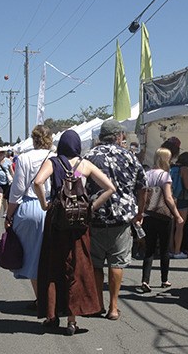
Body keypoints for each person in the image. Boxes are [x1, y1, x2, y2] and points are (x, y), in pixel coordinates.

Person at [33, 130, 115, 335]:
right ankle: (72, 320)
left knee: (54, 265)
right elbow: (110, 187)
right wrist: (91, 207)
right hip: (79, 223)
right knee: (76, 267)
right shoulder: (85, 164)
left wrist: (45, 204)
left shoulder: (53, 162)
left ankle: (52, 316)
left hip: (57, 222)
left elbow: (37, 182)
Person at [85, 119, 147, 321]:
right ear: (119, 136)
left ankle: (97, 304)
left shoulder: (89, 157)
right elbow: (143, 186)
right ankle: (113, 307)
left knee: (95, 263)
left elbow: (76, 183)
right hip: (122, 219)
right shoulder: (130, 156)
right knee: (117, 263)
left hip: (95, 217)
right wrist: (139, 213)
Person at [4, 125, 54, 305]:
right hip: (51, 206)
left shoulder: (24, 158)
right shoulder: (55, 158)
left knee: (33, 256)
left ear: (34, 139)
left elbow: (16, 191)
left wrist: (8, 216)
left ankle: (40, 298)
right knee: (50, 255)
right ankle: (51, 297)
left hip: (30, 207)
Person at [139, 148, 183, 293]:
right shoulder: (165, 176)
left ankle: (145, 280)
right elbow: (169, 198)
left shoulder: (147, 174)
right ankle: (164, 280)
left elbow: (143, 195)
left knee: (149, 249)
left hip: (149, 215)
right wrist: (177, 215)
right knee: (164, 248)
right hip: (163, 216)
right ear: (166, 160)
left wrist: (141, 212)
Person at [169, 151, 188, 259]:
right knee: (180, 226)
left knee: (171, 226)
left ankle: (170, 249)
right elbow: (187, 186)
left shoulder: (171, 167)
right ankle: (177, 251)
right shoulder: (184, 169)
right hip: (182, 198)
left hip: (171, 197)